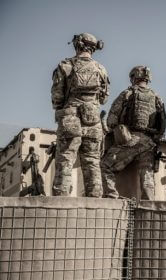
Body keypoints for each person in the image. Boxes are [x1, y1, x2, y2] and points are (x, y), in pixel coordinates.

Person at [51, 33, 109, 197]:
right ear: (93, 48)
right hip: (93, 121)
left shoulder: (65, 65)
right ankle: (96, 201)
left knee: (65, 160)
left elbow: (57, 97)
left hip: (70, 119)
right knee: (92, 161)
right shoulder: (101, 68)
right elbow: (104, 98)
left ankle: (61, 201)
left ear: (77, 45)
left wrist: (63, 109)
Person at [101, 66, 166, 199]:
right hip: (149, 142)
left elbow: (112, 119)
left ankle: (111, 196)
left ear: (133, 78)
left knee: (105, 166)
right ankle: (148, 205)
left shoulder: (128, 93)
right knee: (147, 177)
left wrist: (115, 130)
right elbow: (162, 121)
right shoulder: (156, 97)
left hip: (131, 138)